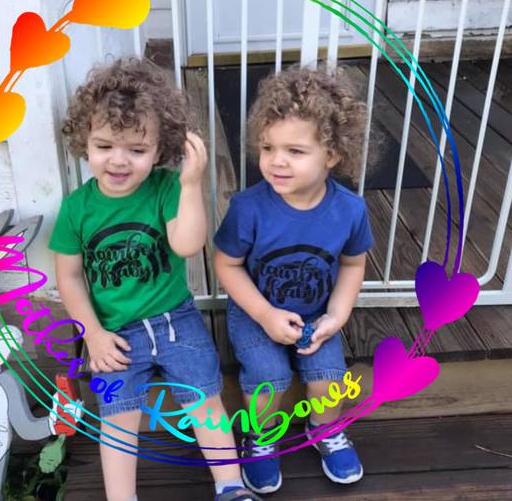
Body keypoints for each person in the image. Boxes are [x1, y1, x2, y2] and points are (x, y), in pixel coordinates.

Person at [49, 58, 261, 501]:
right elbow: (68, 277)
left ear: (160, 148)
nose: (118, 160)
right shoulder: (76, 209)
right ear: (84, 140)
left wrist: (191, 185)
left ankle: (230, 486)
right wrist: (92, 334)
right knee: (118, 416)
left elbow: (187, 244)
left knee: (205, 398)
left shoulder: (165, 188)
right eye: (104, 145)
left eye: (136, 149)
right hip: (113, 333)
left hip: (175, 320)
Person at [214, 65, 374, 494]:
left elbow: (353, 265)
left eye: (295, 151)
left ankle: (324, 430)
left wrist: (337, 316)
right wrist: (264, 314)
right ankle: (260, 436)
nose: (276, 161)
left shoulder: (350, 210)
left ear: (332, 155)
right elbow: (226, 264)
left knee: (328, 378)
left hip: (316, 313)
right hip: (255, 312)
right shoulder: (248, 207)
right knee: (270, 378)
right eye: (268, 147)